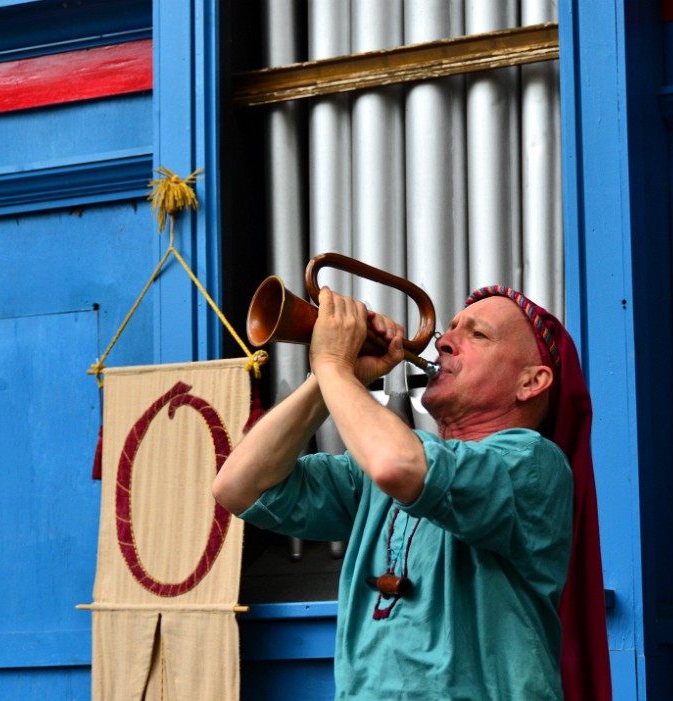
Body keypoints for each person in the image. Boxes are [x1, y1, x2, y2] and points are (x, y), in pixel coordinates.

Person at [213, 284, 611, 701]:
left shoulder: (534, 462)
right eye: (451, 328)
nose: (444, 342)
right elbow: (237, 487)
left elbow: (396, 465)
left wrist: (332, 363)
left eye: (477, 334)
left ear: (532, 381)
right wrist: (327, 379)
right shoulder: (383, 466)